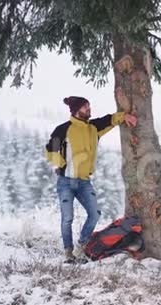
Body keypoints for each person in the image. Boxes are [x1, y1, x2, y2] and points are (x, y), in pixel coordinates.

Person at [45, 96, 137, 262]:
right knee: (67, 218)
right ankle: (68, 253)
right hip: (66, 182)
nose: (89, 109)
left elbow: (110, 120)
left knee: (94, 214)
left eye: (89, 106)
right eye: (85, 107)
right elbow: (50, 150)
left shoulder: (93, 128)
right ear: (76, 110)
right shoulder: (64, 129)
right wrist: (63, 164)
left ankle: (82, 245)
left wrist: (124, 116)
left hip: (84, 182)